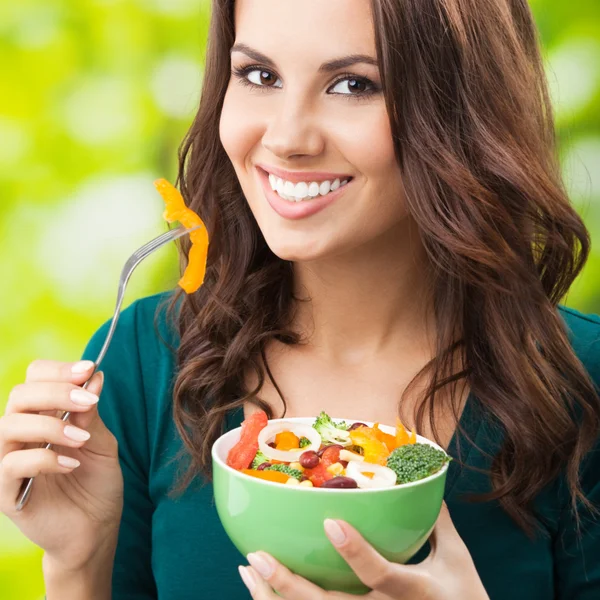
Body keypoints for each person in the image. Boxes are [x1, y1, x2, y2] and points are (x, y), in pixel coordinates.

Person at [1, 0, 599, 598]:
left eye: (352, 84)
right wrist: (78, 562)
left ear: (463, 109)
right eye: (259, 76)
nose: (286, 138)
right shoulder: (143, 361)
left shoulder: (581, 383)